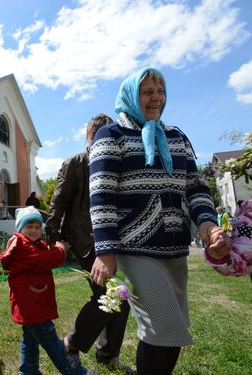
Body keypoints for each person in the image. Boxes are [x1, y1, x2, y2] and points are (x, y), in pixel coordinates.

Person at [88, 67, 230, 375]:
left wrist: (207, 224)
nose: (156, 98)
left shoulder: (176, 136)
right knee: (165, 327)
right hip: (133, 247)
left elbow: (195, 187)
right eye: (147, 92)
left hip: (174, 247)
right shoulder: (110, 135)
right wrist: (105, 249)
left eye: (161, 91)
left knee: (171, 330)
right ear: (131, 97)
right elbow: (101, 195)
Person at [45, 114, 134, 374]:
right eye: (98, 132)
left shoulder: (116, 161)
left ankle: (107, 352)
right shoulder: (75, 162)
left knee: (121, 296)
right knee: (112, 293)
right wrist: (54, 239)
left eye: (108, 132)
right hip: (84, 239)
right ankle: (71, 344)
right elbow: (58, 202)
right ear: (89, 136)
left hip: (112, 239)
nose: (102, 136)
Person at [0, 206, 94, 375]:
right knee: (54, 345)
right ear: (20, 228)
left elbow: (42, 255)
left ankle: (28, 371)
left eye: (37, 226)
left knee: (30, 340)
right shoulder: (22, 246)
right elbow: (45, 260)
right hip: (33, 307)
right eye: (29, 226)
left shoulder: (31, 244)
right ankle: (77, 373)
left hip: (31, 306)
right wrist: (60, 250)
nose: (34, 230)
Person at [205, 199, 252, 276]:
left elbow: (230, 222)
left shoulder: (227, 215)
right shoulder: (245, 220)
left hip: (226, 228)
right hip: (224, 229)